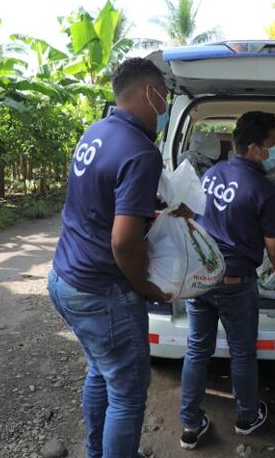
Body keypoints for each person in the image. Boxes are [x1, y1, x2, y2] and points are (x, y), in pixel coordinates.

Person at [47, 57, 172, 458]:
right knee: (129, 395)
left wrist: (157, 211)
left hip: (65, 277)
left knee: (101, 371)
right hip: (103, 291)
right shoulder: (142, 151)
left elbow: (102, 200)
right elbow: (122, 243)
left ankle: (96, 451)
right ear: (149, 93)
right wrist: (144, 286)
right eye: (165, 97)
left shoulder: (96, 131)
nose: (166, 106)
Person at [179, 111, 275, 450]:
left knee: (196, 349)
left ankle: (190, 425)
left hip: (200, 278)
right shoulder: (264, 191)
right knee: (242, 352)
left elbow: (200, 216)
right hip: (235, 283)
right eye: (273, 145)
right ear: (254, 148)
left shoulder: (213, 173)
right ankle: (247, 416)